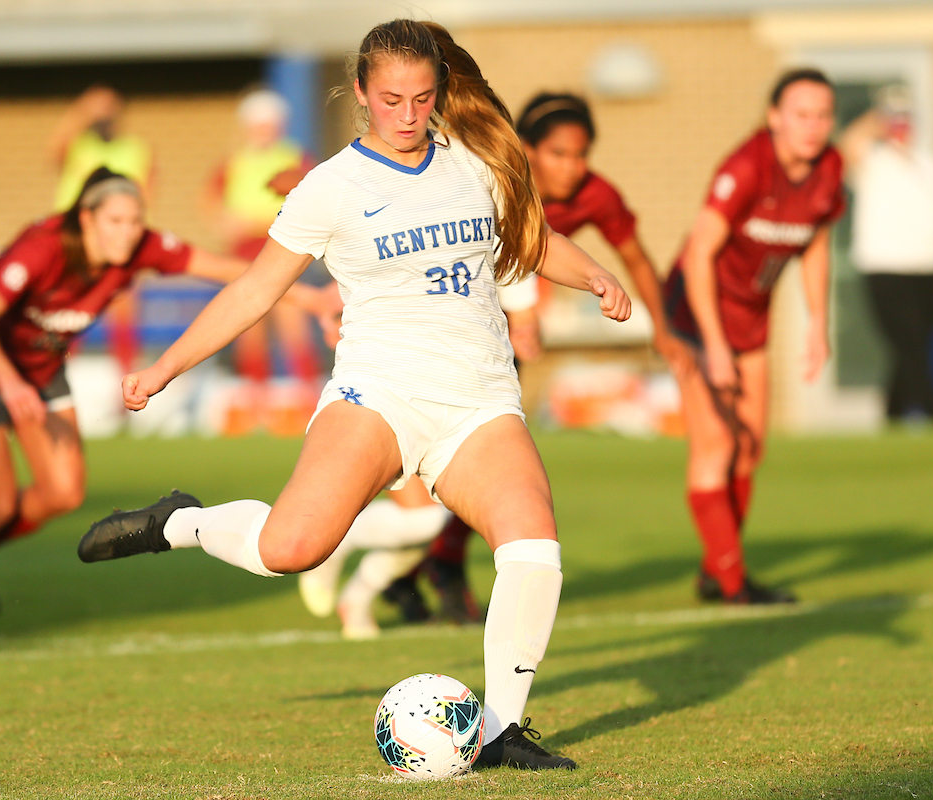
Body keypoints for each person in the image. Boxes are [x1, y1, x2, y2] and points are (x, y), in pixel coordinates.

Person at [78, 19, 632, 770]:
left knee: (533, 543)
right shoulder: (331, 187)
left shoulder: (474, 161)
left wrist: (594, 274)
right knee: (289, 550)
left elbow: (531, 241)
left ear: (441, 92)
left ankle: (501, 730)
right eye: (391, 99)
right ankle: (182, 521)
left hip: (480, 403)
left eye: (423, 98)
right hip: (380, 396)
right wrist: (164, 367)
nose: (408, 114)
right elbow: (253, 291)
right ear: (362, 92)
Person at [0, 168, 336, 644]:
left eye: (136, 221)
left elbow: (234, 273)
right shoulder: (42, 247)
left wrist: (312, 299)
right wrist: (9, 384)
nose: (129, 232)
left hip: (39, 362)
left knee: (63, 493)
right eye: (116, 221)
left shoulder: (140, 247)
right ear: (86, 219)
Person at [377, 91, 694, 626]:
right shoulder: (486, 173)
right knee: (418, 462)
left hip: (497, 343)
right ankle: (393, 562)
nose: (573, 167)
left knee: (485, 462)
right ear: (526, 148)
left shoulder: (596, 195)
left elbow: (636, 258)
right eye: (559, 153)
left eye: (581, 154)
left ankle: (428, 566)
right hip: (439, 331)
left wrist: (663, 330)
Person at [663, 68, 845, 604]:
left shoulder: (829, 169)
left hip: (751, 320)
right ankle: (734, 584)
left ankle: (715, 569)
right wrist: (714, 346)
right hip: (694, 316)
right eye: (801, 114)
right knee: (716, 445)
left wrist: (818, 323)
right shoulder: (745, 168)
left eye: (823, 115)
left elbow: (815, 245)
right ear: (774, 118)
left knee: (749, 449)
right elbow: (699, 254)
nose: (813, 126)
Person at [839, 85, 933, 423]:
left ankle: (892, 417)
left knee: (914, 346)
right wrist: (877, 118)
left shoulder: (930, 166)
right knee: (910, 344)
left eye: (906, 119)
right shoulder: (874, 161)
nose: (901, 126)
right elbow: (848, 145)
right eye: (895, 120)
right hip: (886, 268)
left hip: (927, 268)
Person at [204, 89, 325, 432]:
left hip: (284, 247)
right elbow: (211, 199)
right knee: (250, 329)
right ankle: (257, 407)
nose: (263, 130)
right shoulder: (235, 161)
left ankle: (309, 403)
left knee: (292, 326)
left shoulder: (295, 157)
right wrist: (225, 222)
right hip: (245, 253)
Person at [49, 85, 155, 375]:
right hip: (78, 240)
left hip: (120, 241)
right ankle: (55, 379)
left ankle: (127, 385)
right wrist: (80, 112)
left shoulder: (135, 148)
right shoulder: (78, 144)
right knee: (70, 311)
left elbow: (147, 193)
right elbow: (54, 151)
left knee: (123, 312)